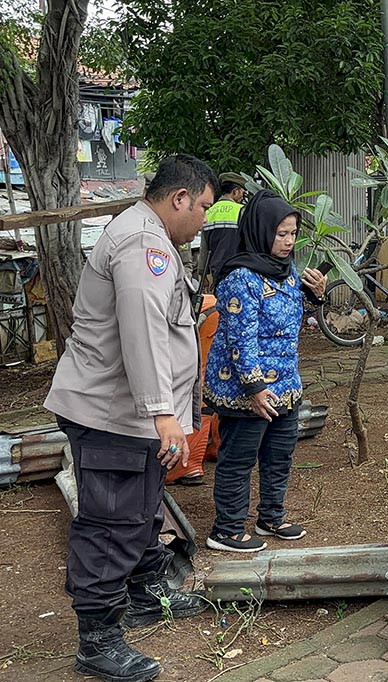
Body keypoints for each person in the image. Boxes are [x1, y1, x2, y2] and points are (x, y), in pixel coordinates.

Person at [44, 154, 217, 682]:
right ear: (180, 199)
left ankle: (145, 593)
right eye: (203, 207)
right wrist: (163, 412)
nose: (204, 220)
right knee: (111, 522)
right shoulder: (144, 244)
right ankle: (97, 640)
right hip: (112, 414)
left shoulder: (150, 237)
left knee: (140, 509)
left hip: (126, 413)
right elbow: (142, 330)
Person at [203, 190, 328, 553]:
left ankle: (271, 517)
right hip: (246, 389)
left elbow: (290, 320)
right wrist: (255, 388)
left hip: (285, 383)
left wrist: (315, 296)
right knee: (239, 459)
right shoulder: (240, 278)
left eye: (293, 234)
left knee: (279, 455)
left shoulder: (286, 272)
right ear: (260, 231)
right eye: (281, 234)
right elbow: (241, 339)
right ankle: (226, 529)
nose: (289, 242)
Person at [197, 172, 247, 289]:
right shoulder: (242, 211)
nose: (242, 196)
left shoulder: (209, 212)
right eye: (242, 192)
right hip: (239, 270)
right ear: (235, 191)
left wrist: (202, 273)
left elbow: (204, 247)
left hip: (217, 272)